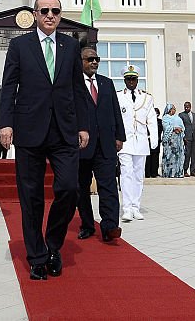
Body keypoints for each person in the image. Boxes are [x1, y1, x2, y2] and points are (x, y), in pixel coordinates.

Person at [0, 0, 89, 280]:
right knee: (31, 197)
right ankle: (37, 257)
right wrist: (6, 124)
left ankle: (53, 244)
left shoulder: (71, 46)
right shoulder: (20, 46)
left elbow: (77, 88)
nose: (50, 15)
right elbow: (9, 86)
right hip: (29, 129)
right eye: (45, 10)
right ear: (35, 14)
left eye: (56, 11)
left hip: (64, 130)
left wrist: (83, 126)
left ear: (60, 15)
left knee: (69, 188)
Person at [76, 46, 125, 242]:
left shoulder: (106, 83)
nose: (94, 62)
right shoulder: (73, 84)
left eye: (96, 59)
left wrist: (119, 136)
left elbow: (115, 111)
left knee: (109, 187)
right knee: (81, 188)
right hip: (82, 146)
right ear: (80, 61)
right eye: (89, 59)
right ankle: (87, 225)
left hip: (106, 145)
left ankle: (110, 226)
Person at [117, 66, 156, 223]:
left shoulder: (146, 98)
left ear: (137, 80)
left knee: (138, 176)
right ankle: (127, 208)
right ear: (124, 80)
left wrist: (153, 139)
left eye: (133, 79)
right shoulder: (118, 96)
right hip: (125, 142)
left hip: (140, 141)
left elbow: (152, 118)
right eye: (128, 79)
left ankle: (135, 207)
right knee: (126, 174)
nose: (131, 82)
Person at [178, 101, 195, 177]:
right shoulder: (181, 115)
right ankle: (185, 171)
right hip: (186, 137)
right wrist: (183, 137)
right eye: (185, 107)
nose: (186, 108)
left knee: (194, 155)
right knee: (187, 154)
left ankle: (193, 171)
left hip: (194, 137)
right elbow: (180, 126)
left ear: (190, 107)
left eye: (188, 107)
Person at [160, 104, 185, 178]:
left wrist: (180, 129)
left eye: (175, 109)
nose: (174, 110)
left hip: (178, 140)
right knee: (169, 157)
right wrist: (174, 128)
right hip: (169, 142)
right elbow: (166, 127)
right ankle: (168, 173)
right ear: (169, 110)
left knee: (178, 157)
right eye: (173, 109)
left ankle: (178, 172)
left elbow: (182, 126)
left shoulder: (177, 118)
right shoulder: (165, 118)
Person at [145, 108, 162, 178]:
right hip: (148, 141)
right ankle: (147, 173)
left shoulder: (160, 121)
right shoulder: (147, 121)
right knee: (148, 157)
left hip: (157, 141)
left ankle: (154, 172)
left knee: (155, 157)